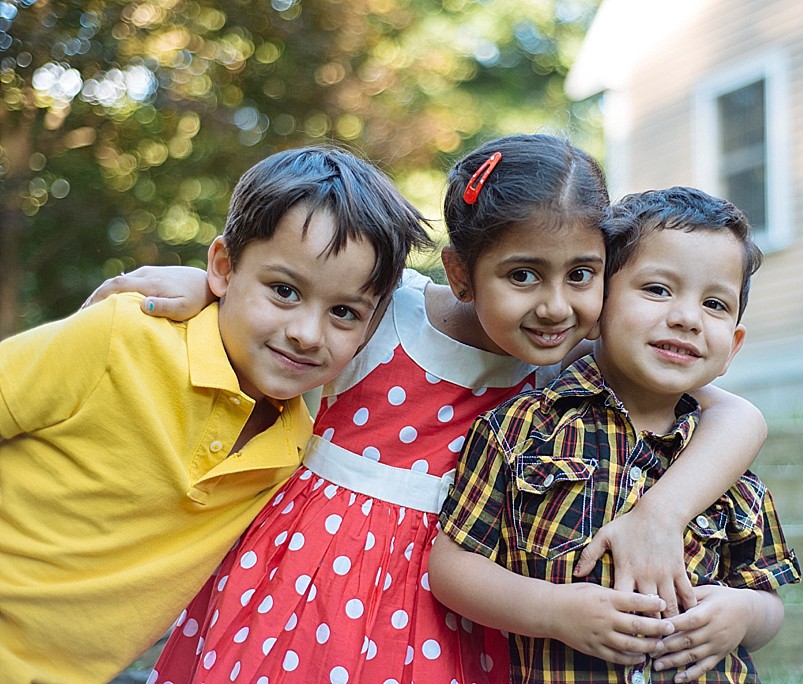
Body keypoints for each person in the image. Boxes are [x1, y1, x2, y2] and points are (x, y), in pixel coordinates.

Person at [92, 135, 768, 683]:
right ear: (460, 273)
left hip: (459, 607)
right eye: (522, 274)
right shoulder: (390, 310)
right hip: (309, 573)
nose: (555, 305)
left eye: (581, 274)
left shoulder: (568, 360)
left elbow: (737, 416)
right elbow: (294, 303)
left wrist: (662, 513)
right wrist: (205, 289)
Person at [0, 146, 432, 684]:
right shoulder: (122, 339)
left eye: (344, 312)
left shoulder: (298, 443)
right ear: (223, 267)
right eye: (284, 291)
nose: (307, 332)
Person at [430, 186, 802, 684]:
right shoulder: (519, 429)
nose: (687, 318)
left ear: (732, 345)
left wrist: (741, 615)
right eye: (657, 289)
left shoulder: (725, 468)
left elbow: (765, 599)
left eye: (715, 304)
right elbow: (453, 568)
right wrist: (553, 611)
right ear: (599, 302)